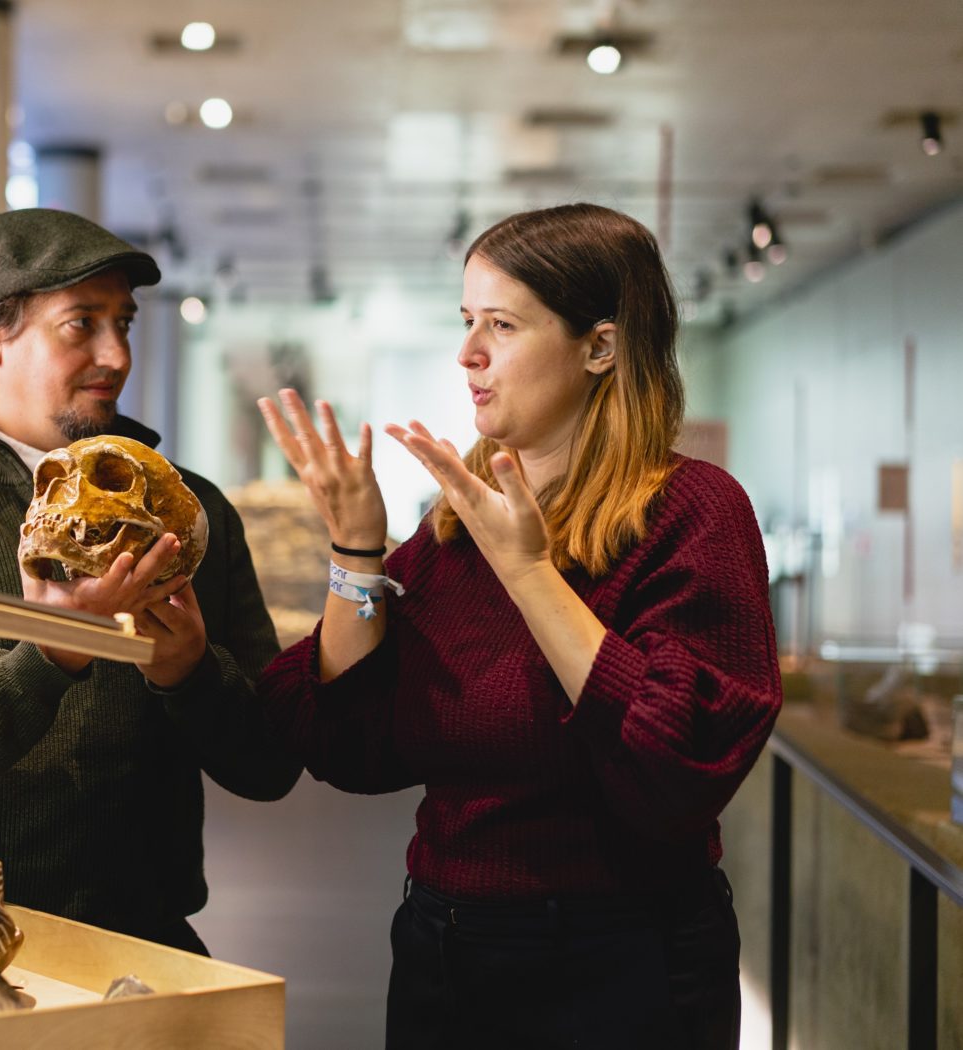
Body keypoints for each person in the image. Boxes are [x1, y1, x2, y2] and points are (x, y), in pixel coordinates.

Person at [255, 203, 781, 1048]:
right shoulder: (453, 526)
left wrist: (532, 573)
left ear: (600, 347)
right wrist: (356, 548)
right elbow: (347, 742)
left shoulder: (694, 512)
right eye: (467, 321)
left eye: (501, 324)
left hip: (625, 961)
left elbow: (679, 765)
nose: (468, 353)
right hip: (445, 949)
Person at [0, 208, 301, 954]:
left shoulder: (191, 509)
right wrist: (50, 651)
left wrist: (186, 673)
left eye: (124, 323)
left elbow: (271, 764)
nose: (115, 355)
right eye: (81, 324)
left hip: (140, 938)